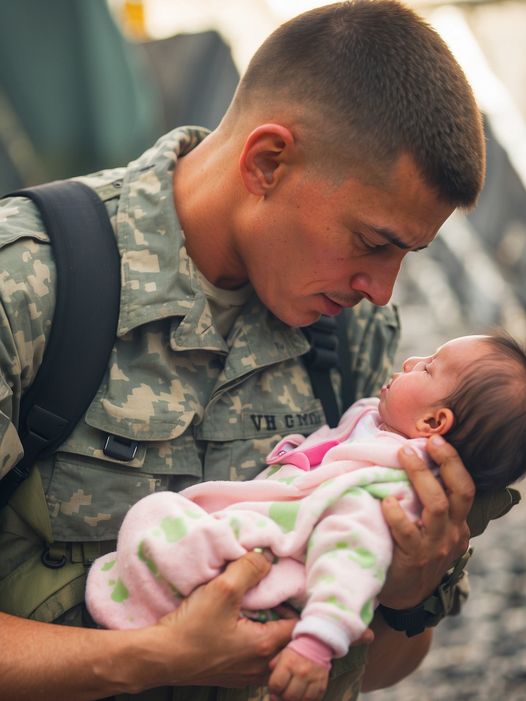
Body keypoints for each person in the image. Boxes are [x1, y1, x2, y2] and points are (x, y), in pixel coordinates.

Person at [0, 1, 514, 700]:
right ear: (268, 161)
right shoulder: (32, 284)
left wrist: (403, 594)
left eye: (408, 255)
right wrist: (153, 657)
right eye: (373, 242)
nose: (382, 290)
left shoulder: (348, 335)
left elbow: (392, 661)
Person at [84, 333, 526, 701]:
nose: (411, 360)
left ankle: (140, 599)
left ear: (433, 421)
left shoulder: (392, 490)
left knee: (159, 517)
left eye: (428, 367)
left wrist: (317, 644)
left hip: (271, 576)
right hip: (258, 562)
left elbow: (353, 555)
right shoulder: (381, 432)